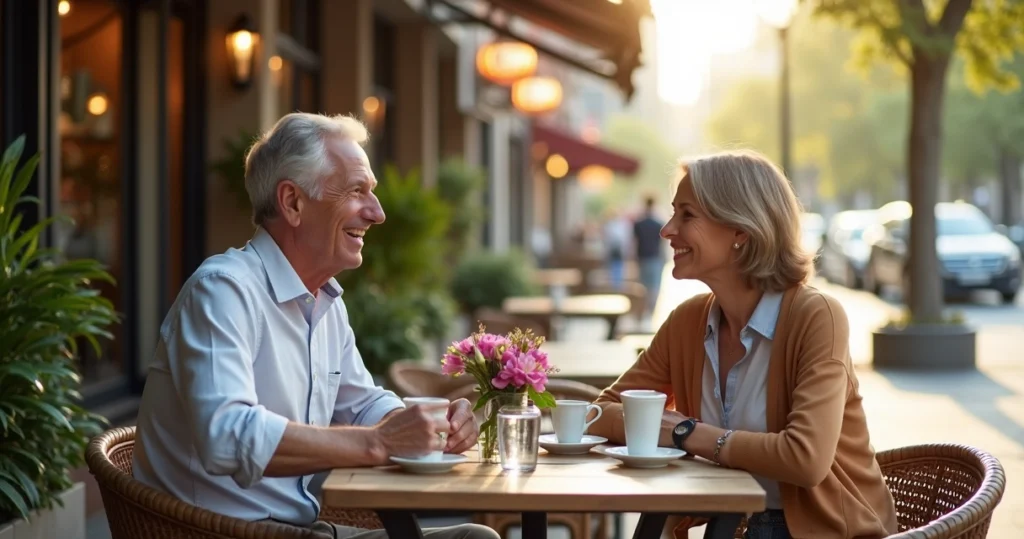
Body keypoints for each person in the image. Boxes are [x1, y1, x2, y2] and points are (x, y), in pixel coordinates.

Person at [132, 113, 499, 539]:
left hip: (302, 528)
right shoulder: (223, 290)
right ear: (292, 202)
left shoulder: (325, 301)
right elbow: (226, 436)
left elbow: (361, 404)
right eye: (357, 191)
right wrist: (380, 442)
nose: (377, 213)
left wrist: (431, 425)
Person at [588, 150, 898, 539]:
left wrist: (684, 432)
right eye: (673, 213)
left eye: (687, 215)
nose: (667, 229)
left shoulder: (816, 316)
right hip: (728, 523)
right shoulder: (687, 322)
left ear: (740, 231)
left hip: (821, 530)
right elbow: (599, 413)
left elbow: (805, 459)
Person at [632, 196, 665, 319]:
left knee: (643, 286)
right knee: (654, 286)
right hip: (655, 257)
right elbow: (662, 244)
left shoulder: (638, 224)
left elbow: (634, 243)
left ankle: (643, 311)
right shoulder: (658, 224)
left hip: (642, 257)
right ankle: (651, 311)